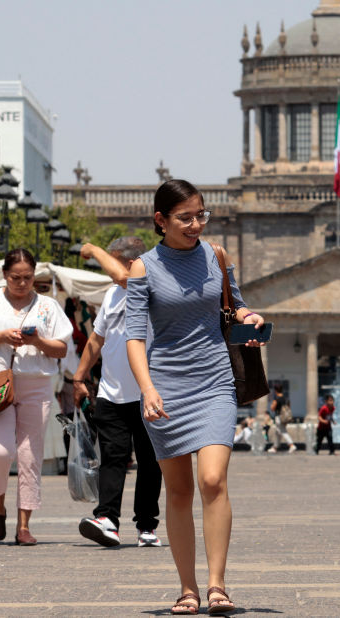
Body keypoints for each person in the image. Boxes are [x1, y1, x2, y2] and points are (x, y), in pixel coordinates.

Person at [126, 179, 265, 616]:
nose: (195, 225)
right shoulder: (143, 269)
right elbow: (134, 336)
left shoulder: (216, 255)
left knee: (212, 479)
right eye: (184, 218)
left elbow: (234, 304)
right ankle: (187, 589)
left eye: (200, 215)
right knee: (179, 489)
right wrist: (147, 388)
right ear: (161, 220)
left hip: (214, 382)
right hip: (166, 387)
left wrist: (249, 316)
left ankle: (217, 585)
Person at [0, 248, 73, 545]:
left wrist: (38, 341)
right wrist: (1, 336)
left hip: (36, 384)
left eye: (27, 277)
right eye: (15, 278)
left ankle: (24, 525)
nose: (22, 283)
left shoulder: (48, 305)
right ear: (4, 275)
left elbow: (62, 349)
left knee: (30, 455)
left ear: (34, 275)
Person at [74, 239, 164, 548]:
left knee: (150, 462)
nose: (107, 270)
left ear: (132, 262)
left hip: (148, 393)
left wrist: (93, 249)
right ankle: (107, 520)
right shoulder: (112, 294)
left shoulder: (149, 285)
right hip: (111, 393)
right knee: (113, 457)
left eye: (111, 261)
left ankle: (146, 525)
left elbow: (125, 277)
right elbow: (96, 340)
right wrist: (79, 378)